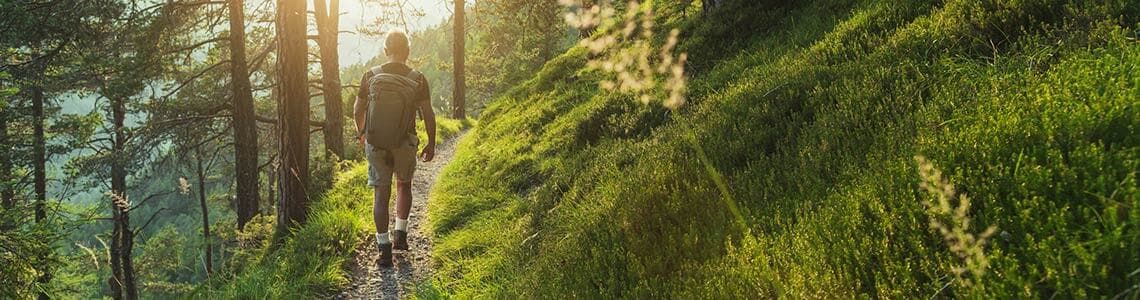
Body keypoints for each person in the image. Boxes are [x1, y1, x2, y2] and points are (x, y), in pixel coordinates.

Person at [353, 29, 436, 268]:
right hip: (405, 141)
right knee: (404, 185)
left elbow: (358, 110)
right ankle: (401, 234)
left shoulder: (370, 75)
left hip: (376, 142)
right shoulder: (418, 78)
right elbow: (428, 114)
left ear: (386, 50)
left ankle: (384, 249)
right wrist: (431, 141)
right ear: (407, 52)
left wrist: (363, 133)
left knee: (381, 193)